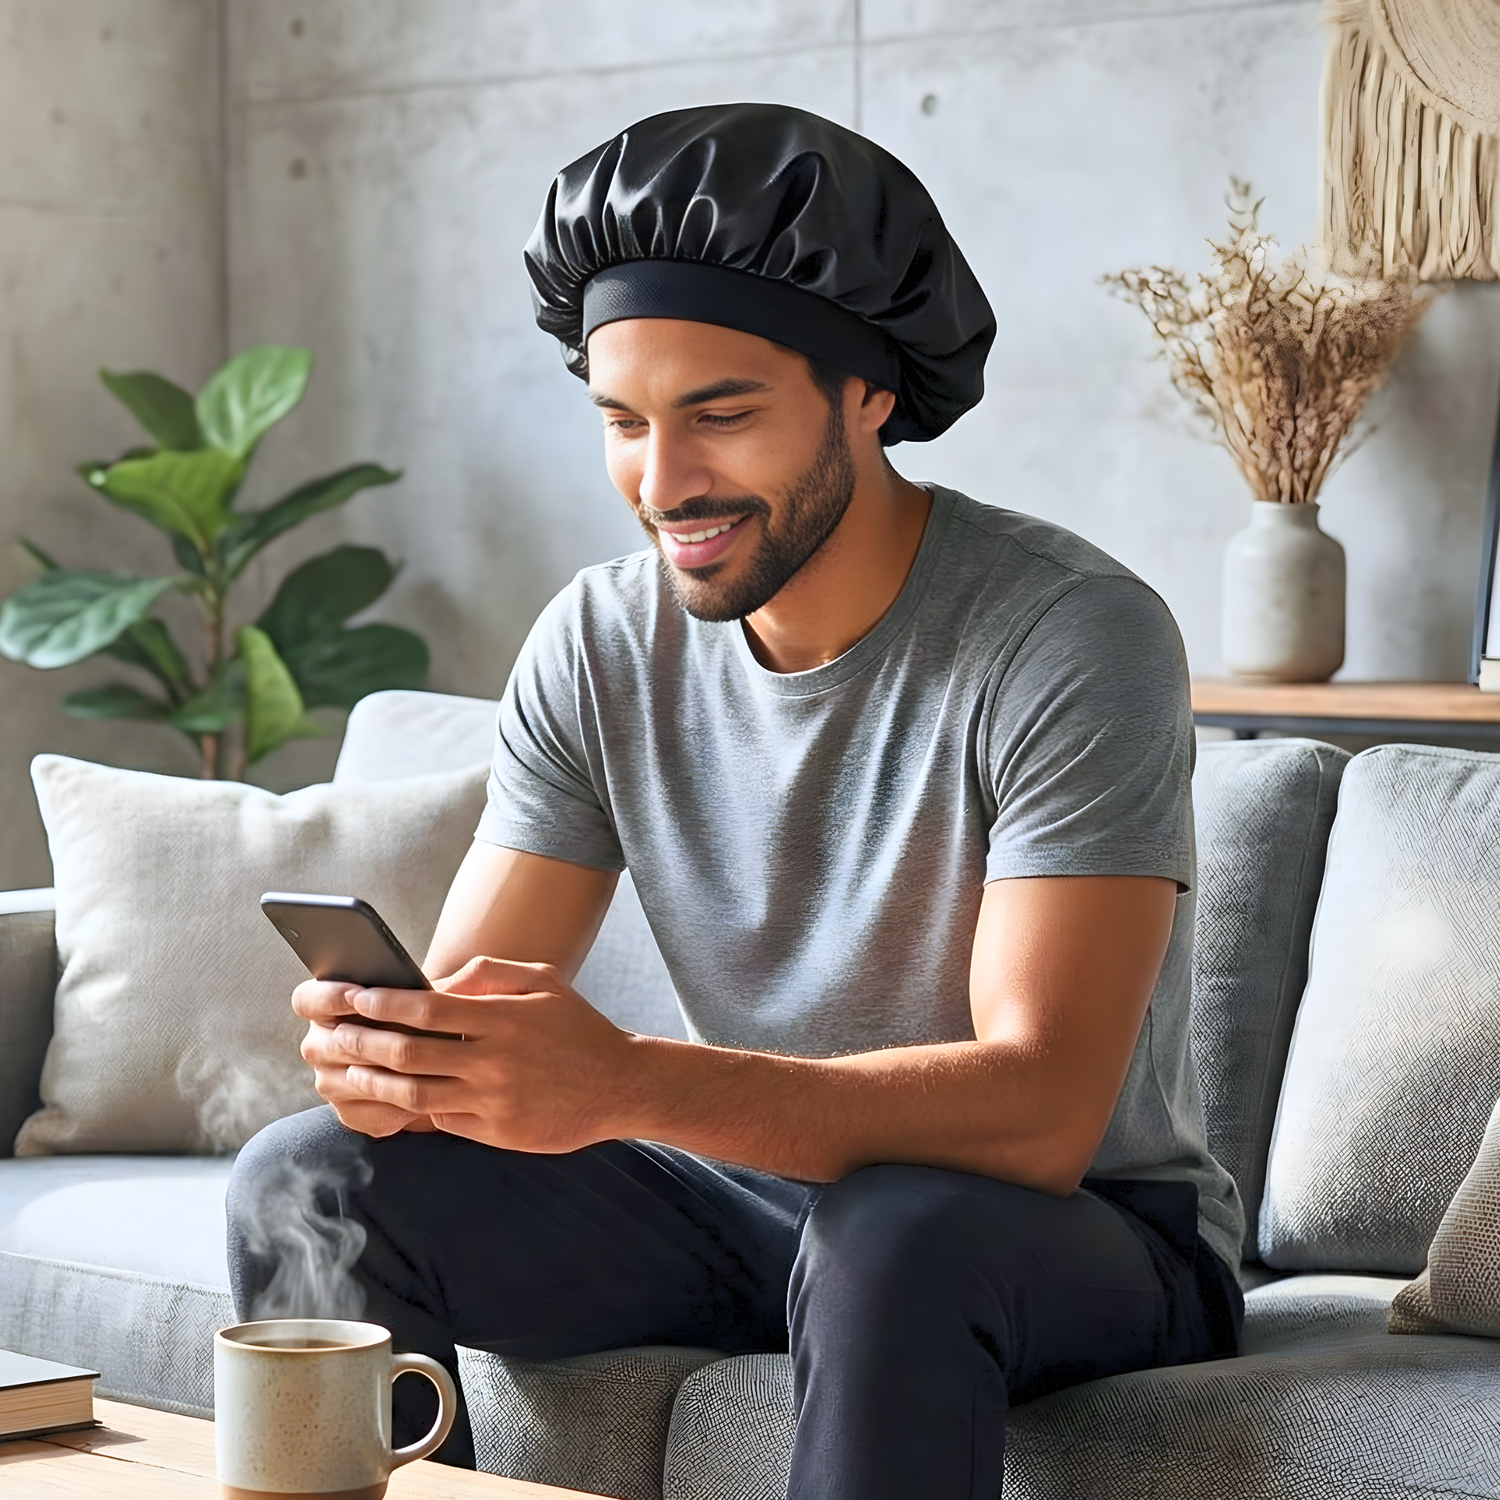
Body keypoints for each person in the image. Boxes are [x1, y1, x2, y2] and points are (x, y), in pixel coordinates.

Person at [228, 103, 1244, 1498]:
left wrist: (629, 1083)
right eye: (622, 421)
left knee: (895, 1232)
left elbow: (1041, 1108)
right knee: (316, 1178)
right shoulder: (598, 640)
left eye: (721, 414)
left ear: (870, 392)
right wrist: (411, 1061)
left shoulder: (1070, 634)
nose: (663, 481)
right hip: (745, 1204)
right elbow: (484, 997)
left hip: (1068, 1232)